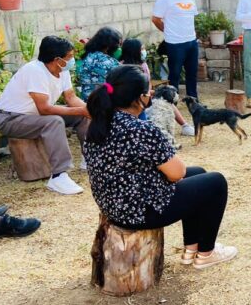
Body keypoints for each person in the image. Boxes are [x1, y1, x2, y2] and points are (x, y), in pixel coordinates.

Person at [83, 65, 237, 269]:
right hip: (140, 211)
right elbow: (177, 173)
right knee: (216, 182)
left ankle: (192, 248)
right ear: (140, 98)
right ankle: (207, 252)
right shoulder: (140, 129)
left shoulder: (99, 125)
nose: (151, 94)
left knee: (198, 173)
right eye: (148, 91)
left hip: (114, 205)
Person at [0, 36, 88, 195]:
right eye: (70, 57)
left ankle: (91, 159)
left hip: (34, 116)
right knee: (54, 122)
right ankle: (59, 176)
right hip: (10, 119)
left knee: (84, 116)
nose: (72, 60)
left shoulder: (61, 69)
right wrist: (82, 110)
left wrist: (91, 110)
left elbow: (71, 98)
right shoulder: (34, 70)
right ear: (57, 59)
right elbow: (44, 109)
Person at [120, 39, 194, 134]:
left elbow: (148, 83)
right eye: (141, 49)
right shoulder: (121, 67)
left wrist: (153, 92)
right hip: (134, 101)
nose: (144, 51)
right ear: (134, 51)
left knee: (166, 101)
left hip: (146, 97)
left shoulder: (143, 65)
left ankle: (185, 126)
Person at [152, 0, 200, 100]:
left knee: (192, 73)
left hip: (191, 41)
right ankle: (173, 101)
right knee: (175, 74)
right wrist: (167, 30)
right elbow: (155, 19)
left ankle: (193, 99)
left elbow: (191, 18)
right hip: (175, 44)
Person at [76, 27, 122, 101]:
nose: (119, 47)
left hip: (87, 99)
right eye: (118, 44)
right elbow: (124, 75)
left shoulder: (89, 55)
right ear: (108, 45)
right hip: (102, 103)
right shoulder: (103, 60)